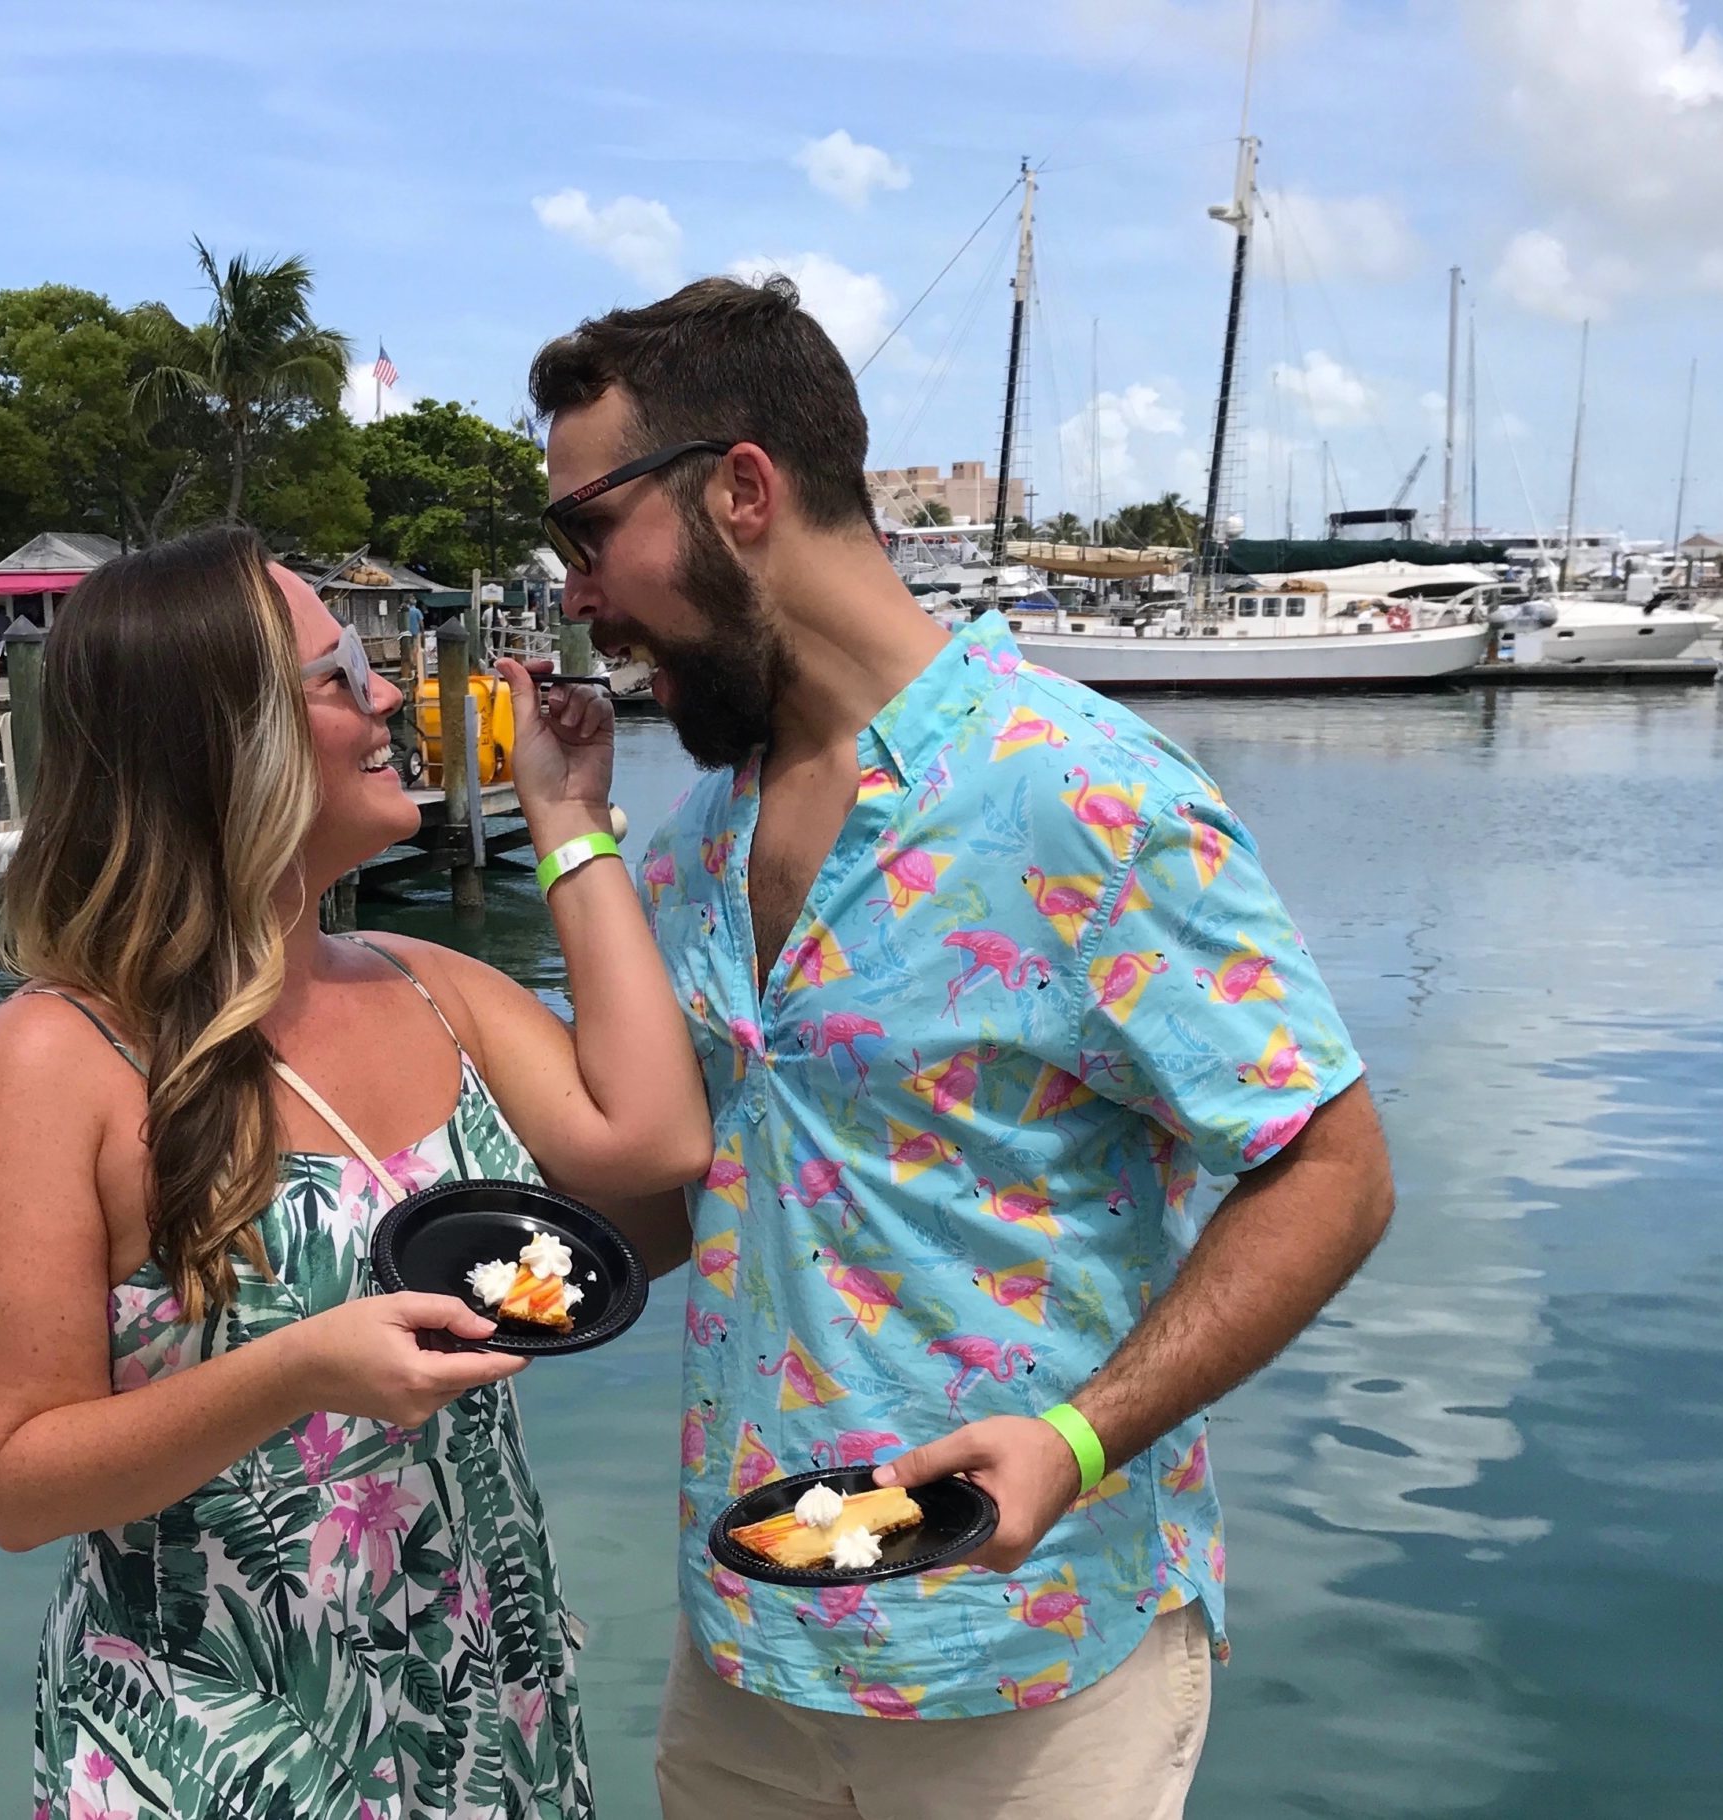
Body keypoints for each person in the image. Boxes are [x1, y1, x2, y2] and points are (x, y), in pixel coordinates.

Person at [527, 277, 1396, 1818]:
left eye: (587, 534)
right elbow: (661, 1207)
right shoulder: (690, 851)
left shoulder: (1081, 794)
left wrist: (1078, 1439)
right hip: (748, 1651)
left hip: (1031, 1662)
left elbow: (1332, 1170)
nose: (576, 592)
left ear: (740, 490)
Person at [0, 526, 712, 1818]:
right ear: (223, 743)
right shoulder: (56, 1064)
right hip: (217, 1744)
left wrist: (569, 824)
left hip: (480, 1713)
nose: (391, 690)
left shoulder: (430, 985)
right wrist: (302, 1366)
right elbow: (14, 1478)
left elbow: (658, 1145)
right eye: (339, 672)